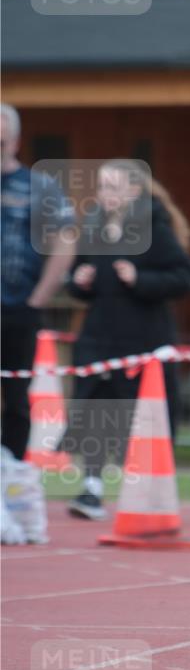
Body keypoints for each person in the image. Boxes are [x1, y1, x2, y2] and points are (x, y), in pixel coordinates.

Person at [65, 159, 190, 519]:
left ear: (135, 191)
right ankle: (91, 487)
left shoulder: (154, 227)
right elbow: (75, 279)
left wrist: (140, 278)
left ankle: (145, 489)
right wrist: (80, 280)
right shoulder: (94, 225)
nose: (104, 194)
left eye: (113, 186)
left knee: (143, 417)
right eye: (102, 186)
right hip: (98, 336)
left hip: (142, 338)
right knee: (93, 409)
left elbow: (183, 275)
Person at [1, 103, 76, 460]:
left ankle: (11, 473)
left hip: (18, 309)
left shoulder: (39, 187)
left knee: (16, 397)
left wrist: (40, 297)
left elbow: (66, 237)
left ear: (14, 142)